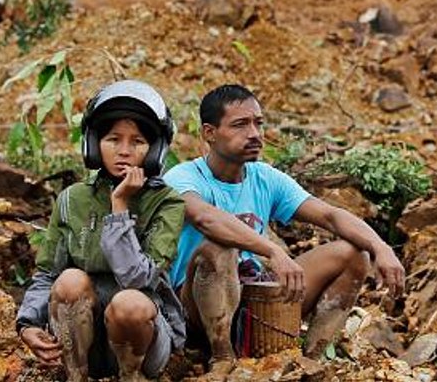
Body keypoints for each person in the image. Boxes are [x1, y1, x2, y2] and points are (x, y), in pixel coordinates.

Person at [164, 83, 405, 373]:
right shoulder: (182, 177)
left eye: (258, 123)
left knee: (353, 254)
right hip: (195, 310)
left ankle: (313, 361)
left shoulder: (265, 177)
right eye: (240, 125)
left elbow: (330, 215)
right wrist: (272, 251)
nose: (254, 133)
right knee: (218, 249)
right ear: (209, 133)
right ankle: (222, 359)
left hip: (253, 300)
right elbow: (206, 219)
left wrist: (380, 246)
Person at [15, 80, 187, 382]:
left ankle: (130, 378)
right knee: (69, 280)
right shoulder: (72, 199)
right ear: (94, 144)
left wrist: (119, 205)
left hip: (142, 343)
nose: (124, 151)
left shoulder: (167, 201)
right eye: (113, 139)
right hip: (84, 340)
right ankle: (76, 376)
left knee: (129, 302)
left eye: (137, 142)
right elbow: (46, 274)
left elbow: (136, 279)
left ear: (154, 150)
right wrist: (27, 324)